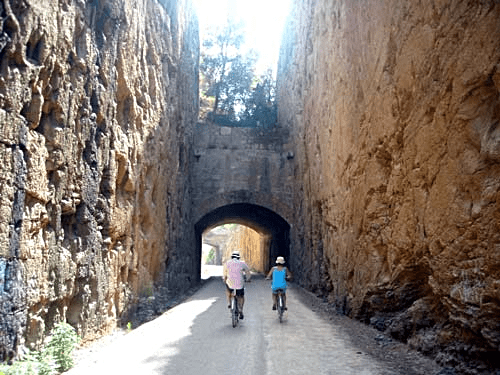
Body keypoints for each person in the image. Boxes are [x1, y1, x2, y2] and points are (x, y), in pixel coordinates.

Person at [223, 250, 251, 319]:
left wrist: (225, 279)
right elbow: (248, 272)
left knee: (228, 290)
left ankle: (229, 303)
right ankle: (241, 309)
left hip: (230, 283)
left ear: (231, 257)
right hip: (239, 284)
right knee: (241, 296)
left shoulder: (227, 263)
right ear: (239, 257)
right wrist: (248, 279)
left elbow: (225, 274)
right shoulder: (242, 263)